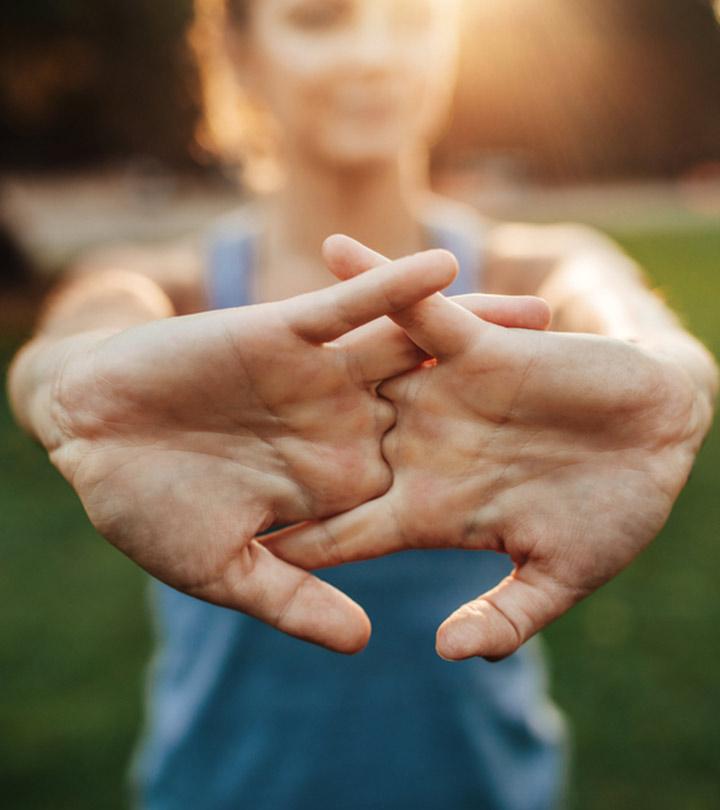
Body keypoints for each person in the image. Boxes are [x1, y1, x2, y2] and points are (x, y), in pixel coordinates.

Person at [7, 1, 716, 808]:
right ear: (238, 54)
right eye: (319, 18)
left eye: (412, 18)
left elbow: (629, 323)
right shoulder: (169, 285)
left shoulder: (542, 267)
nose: (374, 54)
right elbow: (83, 335)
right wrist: (66, 388)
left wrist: (675, 380)